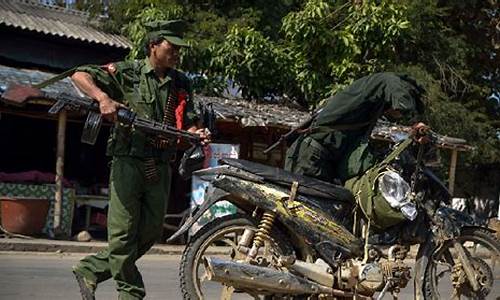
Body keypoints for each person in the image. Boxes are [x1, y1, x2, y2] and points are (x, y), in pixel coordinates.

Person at [71, 20, 209, 300]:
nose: (176, 55)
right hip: (128, 161)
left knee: (148, 234)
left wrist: (198, 134)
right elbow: (79, 75)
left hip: (160, 165)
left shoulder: (182, 82)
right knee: (122, 236)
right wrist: (103, 98)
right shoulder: (129, 72)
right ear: (153, 46)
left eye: (179, 50)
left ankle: (91, 269)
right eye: (171, 48)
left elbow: (189, 122)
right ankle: (131, 292)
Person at [284, 72, 426, 184]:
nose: (398, 115)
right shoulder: (389, 80)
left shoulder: (371, 106)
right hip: (311, 157)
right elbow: (401, 97)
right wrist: (415, 122)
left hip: (324, 161)